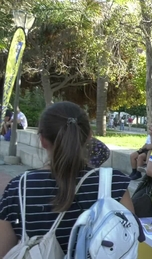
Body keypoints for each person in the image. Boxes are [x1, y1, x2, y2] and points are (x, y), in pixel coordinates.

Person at [0, 101, 134, 256]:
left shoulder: (19, 188)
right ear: (89, 137)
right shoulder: (115, 184)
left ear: (42, 140)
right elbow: (129, 243)